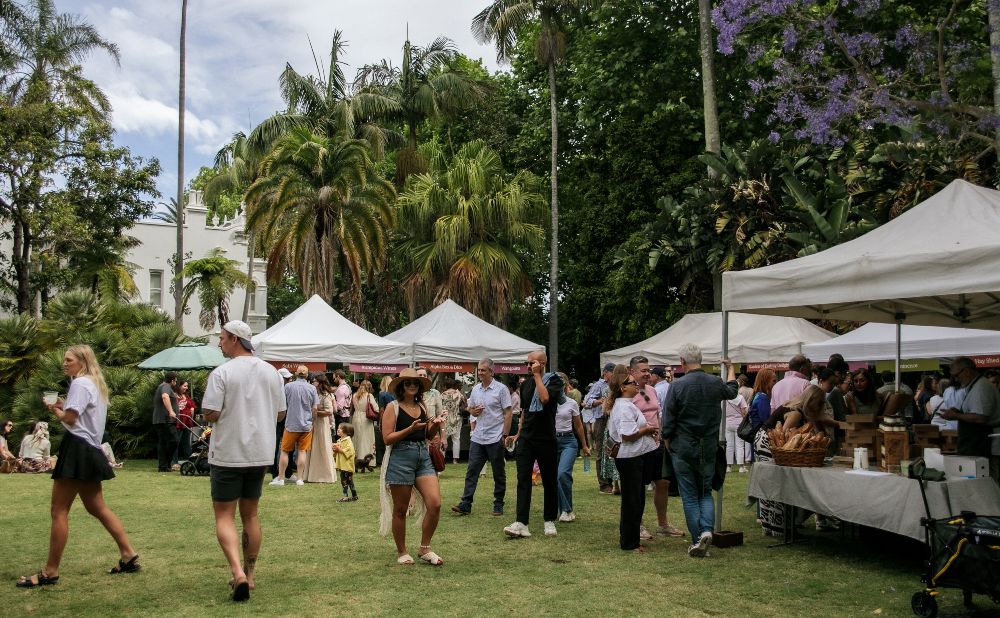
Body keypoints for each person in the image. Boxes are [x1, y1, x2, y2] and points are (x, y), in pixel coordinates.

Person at [17, 345, 139, 588]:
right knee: (97, 507)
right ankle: (128, 554)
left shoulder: (80, 383)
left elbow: (71, 419)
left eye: (69, 360)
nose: (64, 363)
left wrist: (55, 409)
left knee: (59, 510)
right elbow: (83, 413)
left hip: (78, 448)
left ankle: (50, 571)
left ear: (82, 362)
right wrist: (63, 403)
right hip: (90, 448)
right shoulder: (93, 383)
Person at [201, 320, 286, 602]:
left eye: (222, 338)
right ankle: (249, 576)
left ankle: (237, 572)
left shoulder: (222, 372)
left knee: (224, 515)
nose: (220, 343)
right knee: (251, 514)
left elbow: (210, 411)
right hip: (260, 453)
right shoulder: (272, 372)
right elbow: (280, 414)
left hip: (228, 453)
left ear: (235, 339)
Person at [662, 343, 738, 557]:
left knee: (689, 495)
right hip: (709, 446)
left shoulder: (677, 386)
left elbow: (668, 418)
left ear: (682, 361)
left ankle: (697, 540)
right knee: (705, 493)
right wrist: (731, 368)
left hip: (684, 446)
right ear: (700, 360)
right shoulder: (714, 382)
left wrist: (667, 440)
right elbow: (732, 391)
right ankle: (705, 531)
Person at [378, 368, 445, 565]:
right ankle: (402, 552)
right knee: (401, 509)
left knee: (435, 503)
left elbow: (427, 435)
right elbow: (387, 438)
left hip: (422, 456)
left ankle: (425, 548)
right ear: (401, 386)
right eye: (408, 383)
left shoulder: (422, 406)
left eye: (416, 383)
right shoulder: (392, 407)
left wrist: (435, 425)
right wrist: (409, 429)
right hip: (400, 458)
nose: (412, 386)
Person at [754, 385, 839, 536]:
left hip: (764, 440)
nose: (820, 408)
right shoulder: (796, 414)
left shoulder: (797, 407)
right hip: (768, 443)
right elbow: (782, 438)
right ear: (812, 401)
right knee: (776, 483)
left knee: (769, 483)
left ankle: (770, 525)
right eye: (819, 404)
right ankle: (779, 528)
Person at [503, 350, 563, 539]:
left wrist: (538, 376)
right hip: (526, 438)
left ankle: (549, 520)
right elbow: (524, 412)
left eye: (532, 363)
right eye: (527, 363)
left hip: (546, 438)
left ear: (542, 363)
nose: (528, 366)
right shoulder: (526, 384)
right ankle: (522, 523)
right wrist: (518, 434)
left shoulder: (554, 381)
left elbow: (544, 399)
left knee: (549, 480)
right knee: (523, 479)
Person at [606, 365, 660, 552]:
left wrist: (646, 431)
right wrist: (647, 429)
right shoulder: (623, 407)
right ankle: (629, 543)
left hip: (634, 456)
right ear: (623, 387)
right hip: (630, 458)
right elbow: (627, 435)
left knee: (636, 499)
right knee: (632, 501)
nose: (636, 385)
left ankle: (632, 539)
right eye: (632, 383)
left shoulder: (626, 404)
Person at [630, 355, 683, 539]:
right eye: (643, 370)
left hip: (656, 444)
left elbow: (658, 415)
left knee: (663, 483)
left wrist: (662, 437)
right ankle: (638, 525)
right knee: (638, 486)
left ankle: (663, 525)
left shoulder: (652, 390)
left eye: (649, 370)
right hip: (638, 445)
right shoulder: (628, 392)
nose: (647, 374)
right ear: (632, 372)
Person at [453, 358, 512, 517]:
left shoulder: (501, 389)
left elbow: (508, 413)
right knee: (472, 471)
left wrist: (505, 435)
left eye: (483, 370)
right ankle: (466, 503)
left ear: (492, 371)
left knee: (498, 473)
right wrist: (472, 411)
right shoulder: (476, 389)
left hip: (495, 437)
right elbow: (470, 409)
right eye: (479, 370)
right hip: (478, 437)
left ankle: (498, 504)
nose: (480, 373)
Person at [941, 358, 1000, 477]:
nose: (955, 379)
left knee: (992, 481)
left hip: (987, 446)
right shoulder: (976, 386)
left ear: (967, 371)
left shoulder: (981, 387)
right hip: (981, 445)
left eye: (956, 375)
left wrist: (956, 415)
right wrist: (959, 412)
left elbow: (981, 418)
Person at [271, 366, 320, 487]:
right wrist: (312, 421)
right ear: (307, 375)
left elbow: (282, 404)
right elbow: (315, 408)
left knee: (285, 451)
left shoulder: (288, 386)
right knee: (302, 451)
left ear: (296, 374)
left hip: (291, 424)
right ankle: (299, 479)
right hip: (306, 425)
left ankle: (281, 478)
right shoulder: (312, 388)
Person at [555, 372, 590, 522]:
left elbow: (579, 426)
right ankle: (563, 509)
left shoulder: (571, 403)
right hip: (551, 442)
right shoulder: (547, 402)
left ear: (565, 385)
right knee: (555, 478)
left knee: (562, 474)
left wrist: (585, 446)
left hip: (568, 441)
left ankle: (566, 510)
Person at [583, 363, 613, 492]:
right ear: (605, 372)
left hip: (613, 419)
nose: (614, 375)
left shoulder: (615, 384)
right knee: (601, 451)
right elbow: (587, 401)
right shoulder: (598, 385)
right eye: (612, 372)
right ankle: (604, 484)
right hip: (601, 420)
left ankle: (612, 481)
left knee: (612, 450)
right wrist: (600, 401)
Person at [303, 374, 336, 483]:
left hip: (322, 424)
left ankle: (325, 475)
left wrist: (315, 411)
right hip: (315, 423)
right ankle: (312, 474)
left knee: (322, 446)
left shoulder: (326, 395)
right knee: (313, 447)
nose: (313, 383)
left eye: (315, 381)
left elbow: (330, 411)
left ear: (320, 382)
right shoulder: (315, 394)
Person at [152, 371, 179, 472]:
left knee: (164, 442)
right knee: (173, 441)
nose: (176, 383)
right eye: (175, 381)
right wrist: (171, 411)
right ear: (172, 380)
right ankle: (164, 465)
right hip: (165, 420)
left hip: (163, 420)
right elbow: (165, 396)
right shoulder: (166, 386)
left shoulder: (163, 386)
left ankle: (164, 466)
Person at [271, 367, 294, 480]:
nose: (289, 381)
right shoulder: (274, 390)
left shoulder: (288, 389)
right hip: (276, 421)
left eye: (289, 379)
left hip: (287, 421)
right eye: (287, 379)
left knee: (289, 447)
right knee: (274, 447)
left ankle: (288, 472)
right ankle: (275, 474)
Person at [350, 380, 378, 460]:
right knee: (366, 439)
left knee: (356, 438)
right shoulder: (369, 395)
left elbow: (352, 407)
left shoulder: (354, 395)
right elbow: (376, 408)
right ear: (369, 387)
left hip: (356, 417)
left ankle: (356, 457)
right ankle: (365, 458)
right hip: (366, 418)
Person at [440, 378, 465, 464]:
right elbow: (464, 402)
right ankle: (455, 460)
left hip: (445, 419)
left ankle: (442, 458)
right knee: (456, 439)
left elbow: (440, 407)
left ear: (445, 386)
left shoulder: (442, 395)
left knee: (444, 438)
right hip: (456, 418)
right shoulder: (459, 394)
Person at [173, 380, 197, 467]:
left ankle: (191, 462)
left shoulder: (186, 396)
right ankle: (174, 462)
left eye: (187, 386)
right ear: (179, 386)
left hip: (187, 422)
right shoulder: (174, 396)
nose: (186, 388)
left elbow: (192, 405)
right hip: (178, 422)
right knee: (176, 442)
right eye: (184, 386)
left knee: (187, 443)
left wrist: (192, 410)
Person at [724, 392, 749, 473]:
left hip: (728, 423)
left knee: (729, 446)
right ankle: (741, 467)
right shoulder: (740, 398)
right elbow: (743, 412)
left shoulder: (725, 398)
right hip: (738, 424)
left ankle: (728, 467)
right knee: (740, 446)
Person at [333, 423, 357, 502]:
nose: (338, 429)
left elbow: (350, 452)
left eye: (340, 428)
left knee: (348, 481)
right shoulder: (339, 440)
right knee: (344, 481)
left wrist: (339, 450)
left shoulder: (348, 441)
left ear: (347, 431)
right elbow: (336, 453)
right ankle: (352, 496)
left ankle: (349, 496)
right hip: (342, 466)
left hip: (347, 466)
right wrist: (335, 450)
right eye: (338, 428)